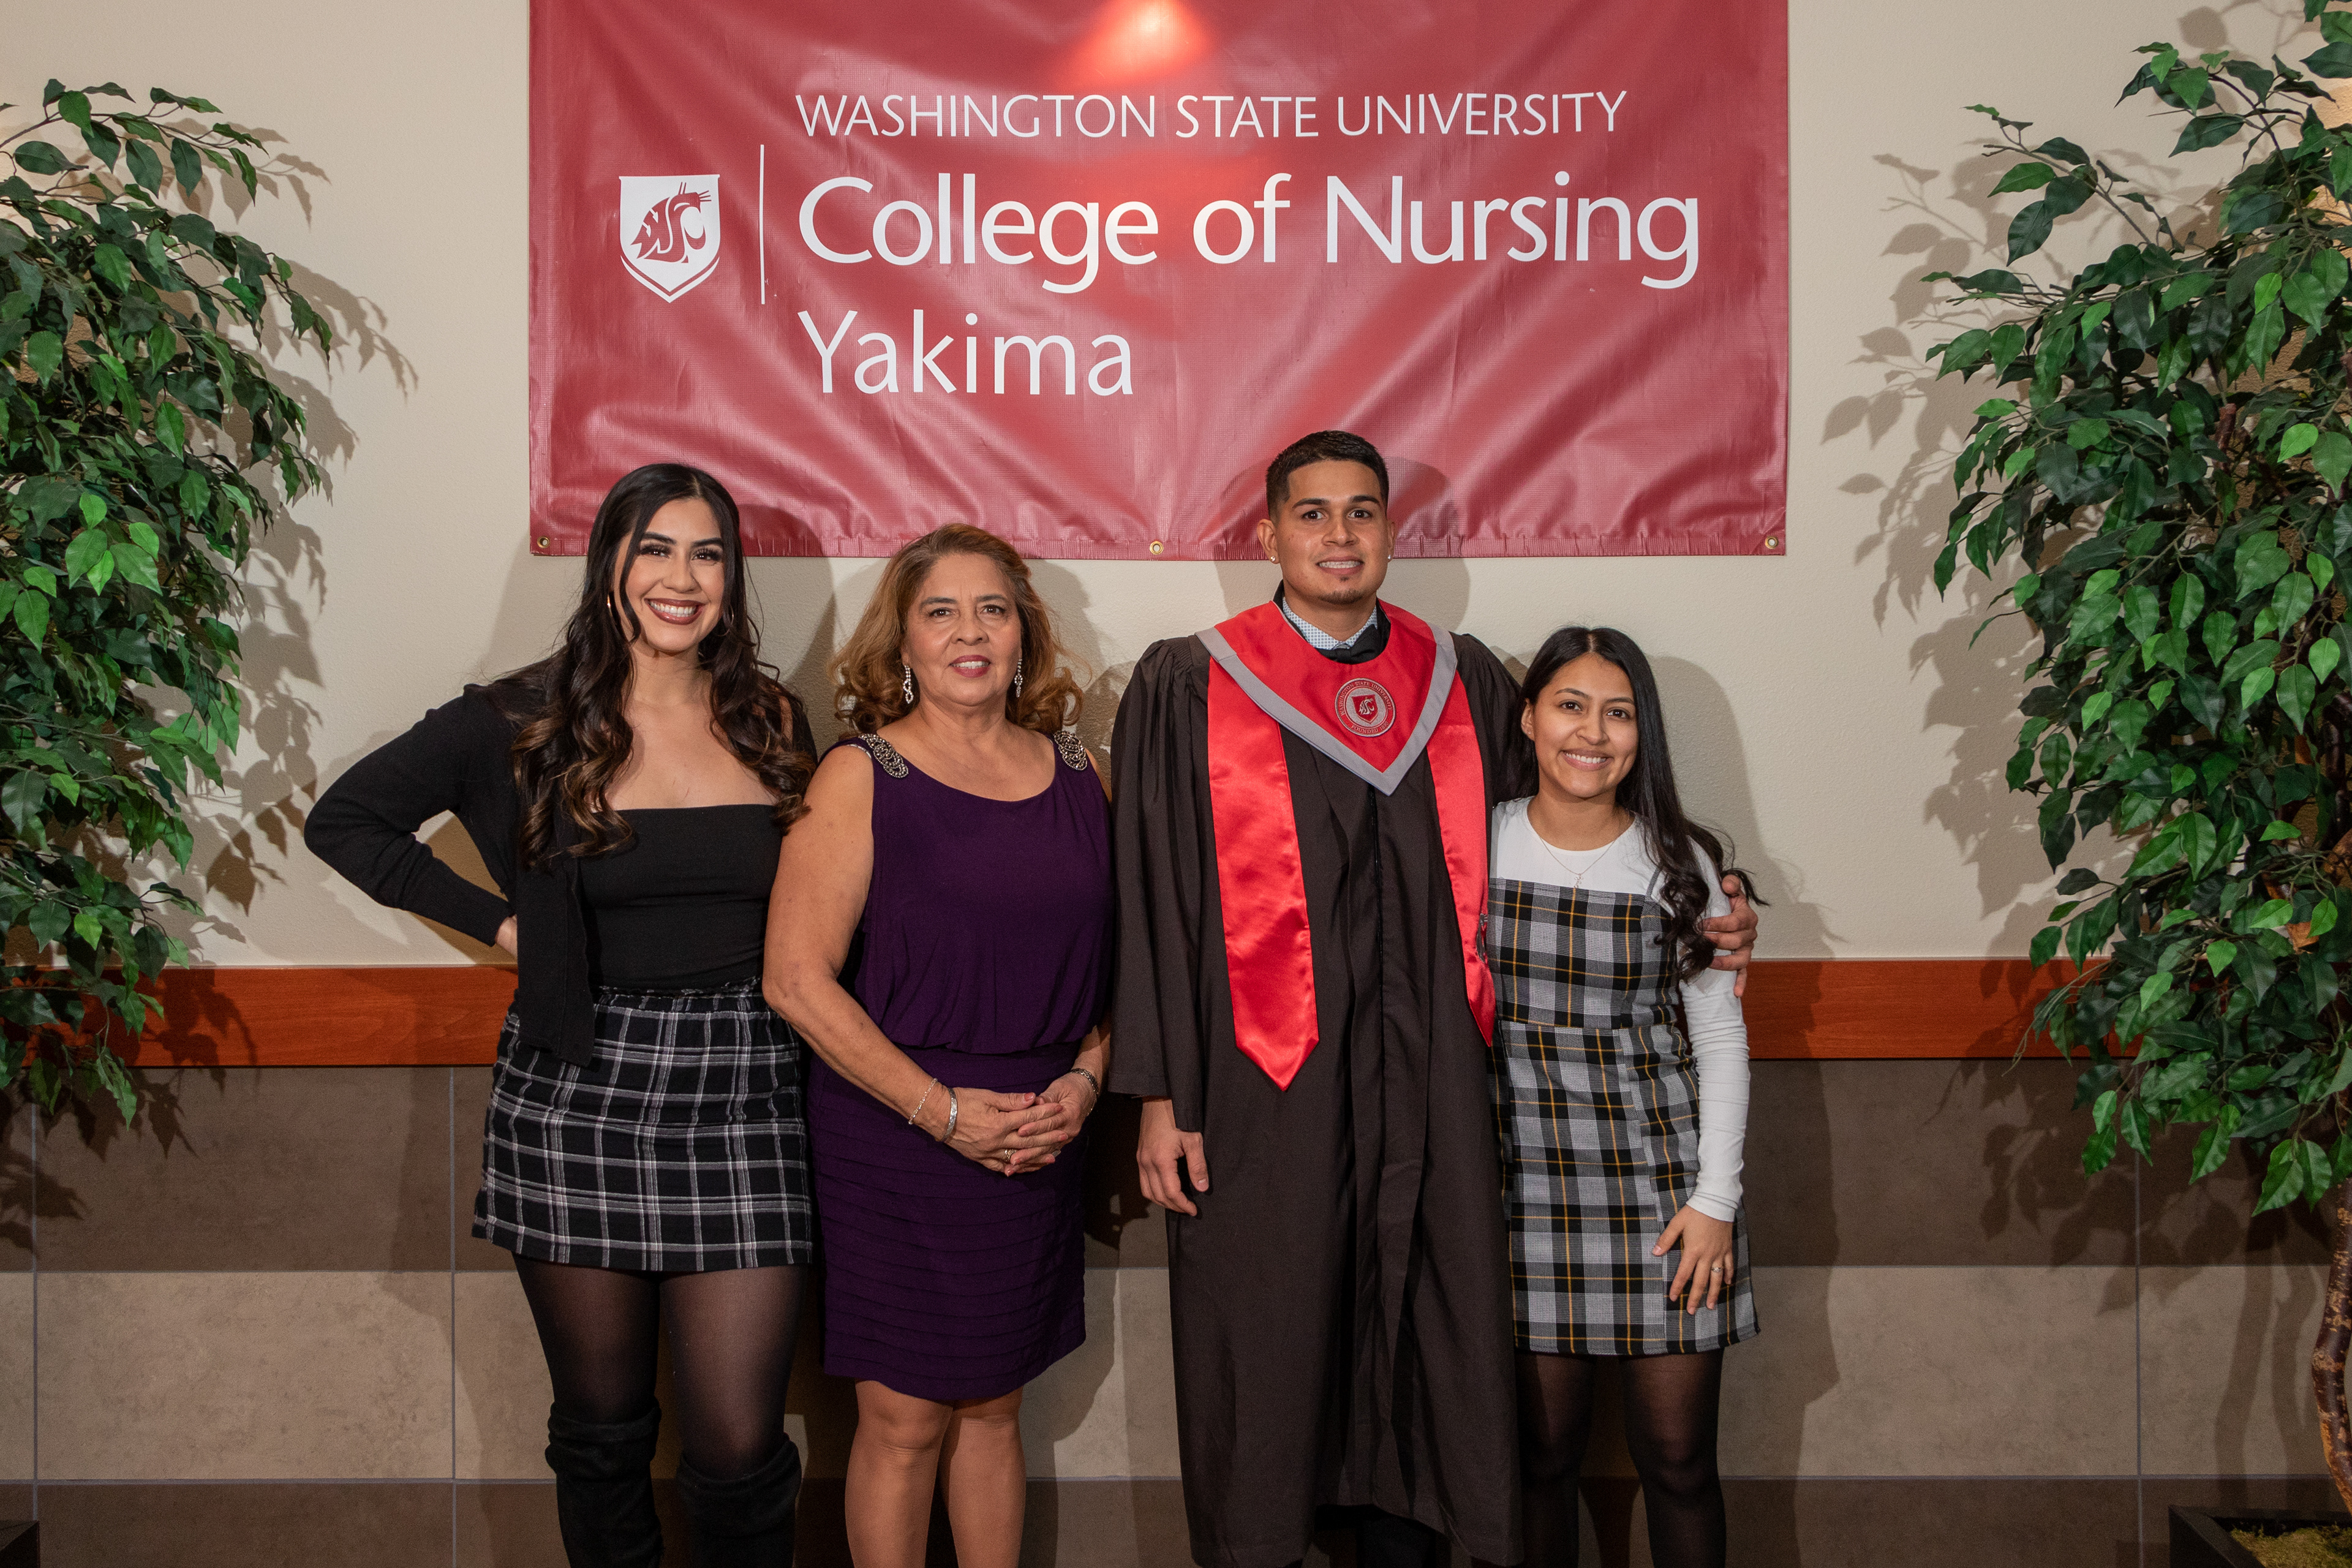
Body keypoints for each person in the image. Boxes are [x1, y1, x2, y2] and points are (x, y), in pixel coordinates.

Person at [1109, 431, 1760, 1568]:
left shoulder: (1462, 681)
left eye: (1362, 512)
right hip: (1266, 1090)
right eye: (1312, 513)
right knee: (1273, 1323)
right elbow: (1151, 895)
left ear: (1390, 531)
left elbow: (1572, 833)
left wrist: (1720, 900)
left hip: (1442, 1090)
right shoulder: (1191, 682)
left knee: (1427, 1322)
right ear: (1268, 535)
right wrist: (1161, 1094)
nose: (1339, 535)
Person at [305, 464, 815, 1568]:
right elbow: (346, 820)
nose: (683, 578)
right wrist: (505, 929)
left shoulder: (771, 718)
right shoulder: (519, 720)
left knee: (739, 1450)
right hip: (579, 1093)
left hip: (749, 1092)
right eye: (655, 549)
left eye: (708, 553)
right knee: (603, 1433)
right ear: (609, 565)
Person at [764, 523, 1111, 1568]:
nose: (970, 633)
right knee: (905, 1418)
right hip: (896, 1133)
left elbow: (1126, 967)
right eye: (941, 612)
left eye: (993, 610)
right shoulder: (860, 775)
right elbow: (795, 980)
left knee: (997, 1408)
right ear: (903, 641)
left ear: (1024, 634)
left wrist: (1086, 1083)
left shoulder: (1083, 774)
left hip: (1040, 1133)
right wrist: (941, 1112)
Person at [1491, 626, 1759, 1568]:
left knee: (1679, 1461)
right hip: (1517, 1188)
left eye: (1619, 713)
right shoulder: (1474, 841)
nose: (1592, 734)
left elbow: (1719, 1036)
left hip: (1660, 1187)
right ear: (1529, 719)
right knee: (1539, 1462)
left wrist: (1715, 1202)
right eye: (1571, 706)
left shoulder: (1681, 861)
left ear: (1643, 734)